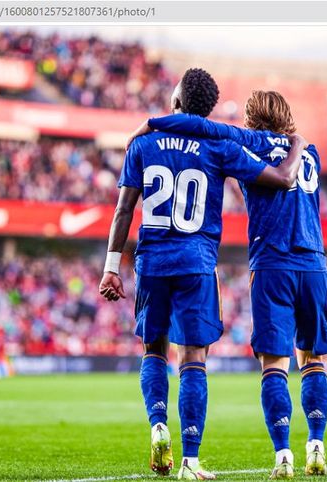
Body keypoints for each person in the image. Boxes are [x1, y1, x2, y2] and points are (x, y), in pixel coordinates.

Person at [99, 69, 308, 480]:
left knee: (153, 351)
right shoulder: (218, 145)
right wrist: (296, 146)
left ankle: (158, 427)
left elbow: (124, 210)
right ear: (207, 109)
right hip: (196, 263)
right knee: (193, 358)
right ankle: (191, 462)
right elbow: (281, 180)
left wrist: (111, 268)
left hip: (152, 263)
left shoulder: (143, 142)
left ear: (176, 101)